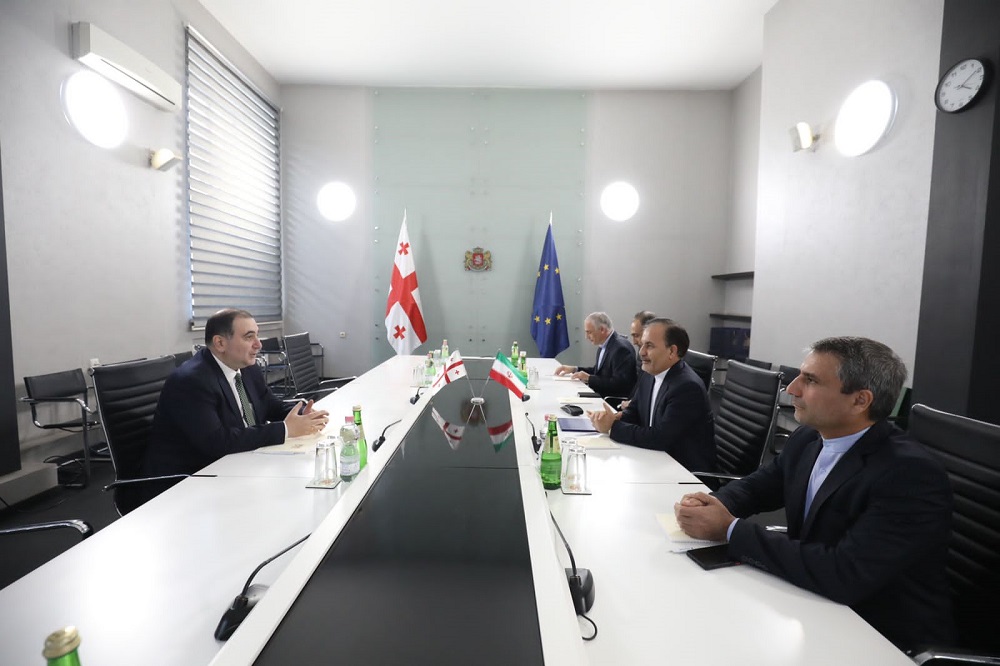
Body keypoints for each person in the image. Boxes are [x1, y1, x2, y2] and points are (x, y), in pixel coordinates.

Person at [674, 337, 953, 651]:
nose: (792, 388)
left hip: (879, 635)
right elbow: (759, 486)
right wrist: (714, 503)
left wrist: (729, 530)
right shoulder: (809, 437)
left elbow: (844, 574)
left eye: (810, 381)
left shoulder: (909, 474)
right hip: (813, 601)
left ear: (860, 401)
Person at [144, 309, 329, 476]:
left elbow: (269, 404)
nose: (259, 344)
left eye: (257, 335)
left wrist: (302, 414)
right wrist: (286, 429)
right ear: (220, 343)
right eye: (249, 337)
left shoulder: (247, 367)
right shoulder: (191, 381)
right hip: (191, 478)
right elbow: (217, 442)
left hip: (241, 462)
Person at [588, 319, 715, 471]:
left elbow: (660, 438)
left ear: (672, 351)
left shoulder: (687, 387)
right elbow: (635, 411)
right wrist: (614, 418)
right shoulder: (650, 373)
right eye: (642, 344)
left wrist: (612, 427)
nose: (641, 352)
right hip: (655, 461)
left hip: (685, 472)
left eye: (649, 346)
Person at [554, 312, 637, 399]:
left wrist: (589, 379)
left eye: (589, 332)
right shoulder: (604, 344)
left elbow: (620, 384)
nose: (586, 337)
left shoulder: (621, 349)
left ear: (602, 330)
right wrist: (575, 369)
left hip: (611, 400)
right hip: (601, 394)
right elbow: (598, 372)